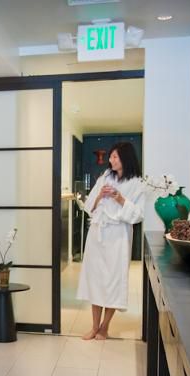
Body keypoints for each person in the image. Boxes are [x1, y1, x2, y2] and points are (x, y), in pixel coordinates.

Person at [76, 142, 146, 340]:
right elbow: (89, 206)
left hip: (118, 236)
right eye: (110, 157)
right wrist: (99, 195)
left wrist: (120, 198)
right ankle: (94, 326)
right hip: (98, 235)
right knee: (96, 280)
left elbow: (138, 215)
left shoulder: (137, 183)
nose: (110, 160)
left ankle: (105, 327)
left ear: (126, 158)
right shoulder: (105, 176)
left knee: (113, 282)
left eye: (115, 157)